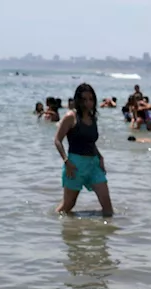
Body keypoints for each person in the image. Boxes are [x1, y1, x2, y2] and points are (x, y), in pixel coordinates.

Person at [53, 83, 113, 217]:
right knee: (67, 206)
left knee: (108, 209)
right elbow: (57, 140)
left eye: (91, 99)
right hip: (75, 166)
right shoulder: (71, 117)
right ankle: (52, 226)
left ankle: (103, 234)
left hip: (94, 165)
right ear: (78, 100)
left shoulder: (93, 118)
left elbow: (90, 143)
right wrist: (66, 161)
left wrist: (101, 157)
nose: (88, 103)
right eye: (84, 99)